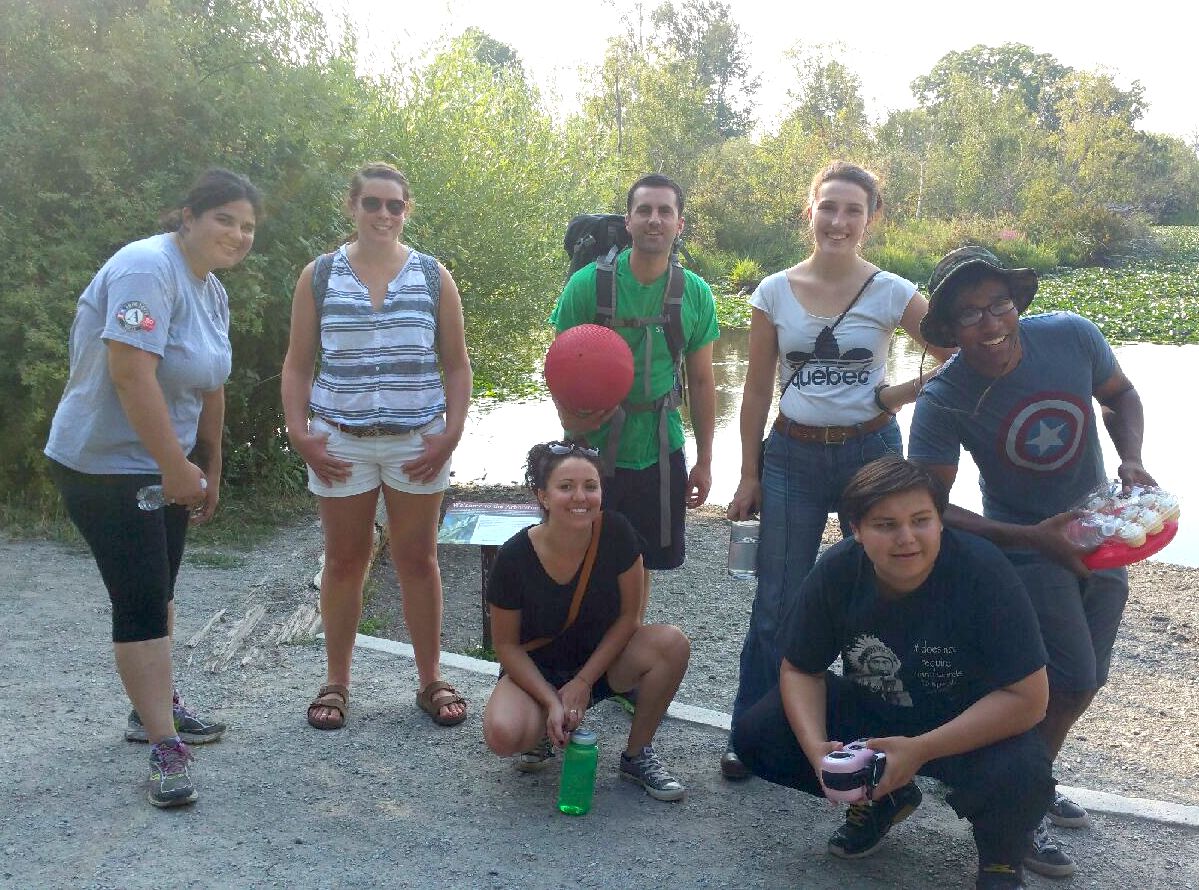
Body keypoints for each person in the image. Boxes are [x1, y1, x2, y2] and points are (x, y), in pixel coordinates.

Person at [907, 245, 1158, 879]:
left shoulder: (1072, 336)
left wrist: (1128, 457)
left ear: (1017, 302)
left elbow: (1121, 396)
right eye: (970, 316)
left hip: (1101, 529)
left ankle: (1031, 780)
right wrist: (1032, 538)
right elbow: (930, 504)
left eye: (999, 305)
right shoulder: (946, 397)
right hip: (1024, 547)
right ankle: (1019, 807)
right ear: (947, 330)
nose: (990, 325)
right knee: (1065, 678)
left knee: (1089, 678)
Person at [723, 161, 953, 779]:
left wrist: (894, 395)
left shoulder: (893, 291)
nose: (839, 221)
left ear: (871, 219)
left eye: (853, 210)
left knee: (874, 593)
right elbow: (753, 390)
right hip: (792, 453)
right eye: (829, 208)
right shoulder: (772, 291)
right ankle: (755, 730)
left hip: (870, 453)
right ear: (810, 212)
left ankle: (863, 733)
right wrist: (749, 473)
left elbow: (952, 353)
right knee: (778, 599)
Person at [731, 456, 1053, 890]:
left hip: (966, 725)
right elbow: (800, 670)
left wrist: (919, 750)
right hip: (879, 710)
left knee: (1025, 770)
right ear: (855, 529)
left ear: (940, 521)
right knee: (759, 731)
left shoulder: (984, 572)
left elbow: (1029, 699)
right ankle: (885, 796)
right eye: (885, 525)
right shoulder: (839, 572)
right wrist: (816, 753)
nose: (906, 539)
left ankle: (1000, 856)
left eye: (921, 520)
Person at [44, 168, 261, 808]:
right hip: (105, 461)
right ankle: (165, 747)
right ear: (188, 217)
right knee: (140, 597)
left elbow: (211, 382)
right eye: (225, 218)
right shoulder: (147, 268)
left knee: (159, 585)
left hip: (165, 460)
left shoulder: (211, 289)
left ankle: (154, 711)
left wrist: (208, 465)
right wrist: (173, 468)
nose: (238, 234)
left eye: (248, 226)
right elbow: (129, 373)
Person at [281, 162, 472, 732]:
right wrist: (298, 431)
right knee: (343, 561)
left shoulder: (434, 276)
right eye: (372, 203)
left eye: (394, 205)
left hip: (417, 442)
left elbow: (458, 367)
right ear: (352, 206)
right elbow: (296, 366)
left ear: (406, 210)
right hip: (341, 442)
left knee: (418, 561)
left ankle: (430, 678)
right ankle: (336, 682)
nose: (383, 215)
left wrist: (451, 432)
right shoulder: (318, 276)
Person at [549, 174, 719, 629]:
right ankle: (576, 647)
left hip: (660, 448)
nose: (654, 220)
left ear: (679, 224)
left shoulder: (695, 293)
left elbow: (701, 382)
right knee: (581, 549)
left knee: (641, 559)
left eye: (665, 211)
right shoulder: (589, 284)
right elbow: (558, 363)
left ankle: (626, 651)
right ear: (628, 221)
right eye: (644, 210)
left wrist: (704, 459)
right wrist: (571, 422)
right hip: (591, 448)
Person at [482, 441, 691, 801]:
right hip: (539, 666)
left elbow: (630, 617)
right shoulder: (514, 556)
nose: (580, 497)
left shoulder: (617, 533)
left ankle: (637, 754)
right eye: (566, 487)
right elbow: (506, 645)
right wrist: (550, 700)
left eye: (590, 486)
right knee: (503, 734)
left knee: (671, 644)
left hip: (602, 662)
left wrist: (583, 681)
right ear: (543, 496)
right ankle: (544, 730)